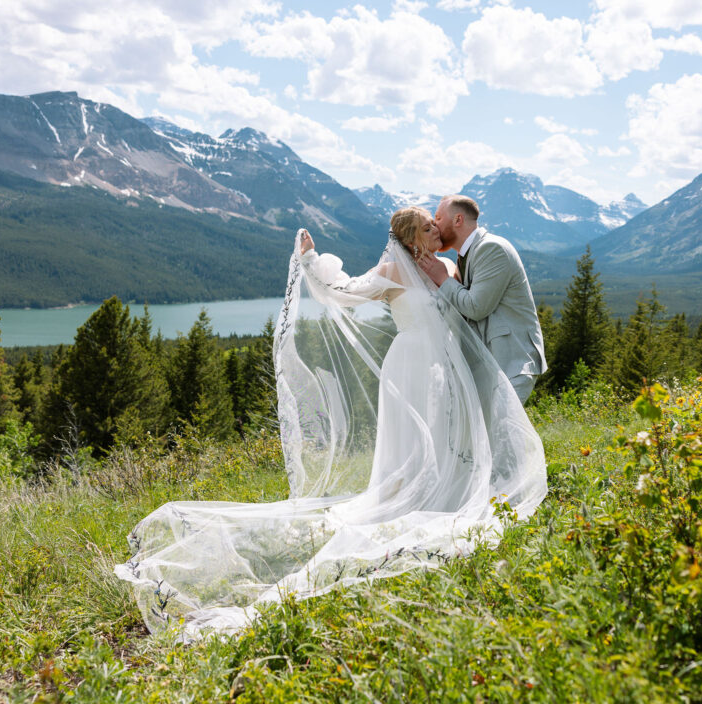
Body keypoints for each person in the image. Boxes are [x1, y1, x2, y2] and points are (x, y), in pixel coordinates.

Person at [115, 207, 547, 639]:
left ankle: (440, 496)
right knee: (413, 445)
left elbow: (467, 308)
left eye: (439, 224)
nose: (439, 230)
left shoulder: (448, 267)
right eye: (430, 227)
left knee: (443, 441)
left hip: (444, 370)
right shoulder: (392, 267)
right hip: (411, 363)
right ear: (414, 236)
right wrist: (310, 261)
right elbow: (343, 291)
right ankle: (406, 499)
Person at [417, 195, 546, 403]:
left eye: (438, 218)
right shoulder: (464, 256)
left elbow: (476, 307)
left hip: (512, 361)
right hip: (491, 364)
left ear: (458, 220)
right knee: (491, 435)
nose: (434, 225)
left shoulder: (492, 248)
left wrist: (442, 278)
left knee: (505, 434)